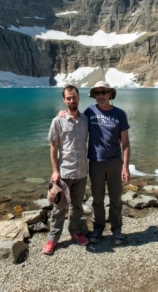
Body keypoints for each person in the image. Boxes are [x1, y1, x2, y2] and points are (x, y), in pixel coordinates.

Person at [42, 85, 90, 255]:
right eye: (68, 98)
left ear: (79, 97)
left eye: (74, 97)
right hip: (64, 172)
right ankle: (52, 239)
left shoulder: (85, 119)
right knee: (58, 207)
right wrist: (55, 171)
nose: (71, 101)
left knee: (77, 206)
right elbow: (53, 148)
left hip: (82, 171)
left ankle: (74, 232)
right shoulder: (58, 121)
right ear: (64, 100)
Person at [85, 81, 130, 246]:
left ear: (110, 94)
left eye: (103, 92)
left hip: (114, 162)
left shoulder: (119, 114)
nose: (100, 96)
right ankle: (98, 227)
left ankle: (117, 229)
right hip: (95, 162)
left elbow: (125, 143)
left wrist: (125, 167)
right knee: (97, 199)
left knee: (116, 198)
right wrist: (63, 113)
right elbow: (74, 120)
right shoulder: (89, 111)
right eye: (97, 93)